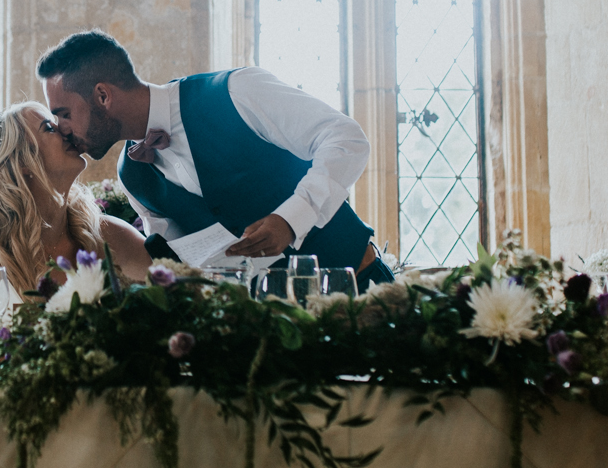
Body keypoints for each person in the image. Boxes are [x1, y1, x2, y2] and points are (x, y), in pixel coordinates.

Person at [36, 30, 394, 288]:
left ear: (102, 95)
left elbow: (346, 139)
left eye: (64, 113)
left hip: (359, 290)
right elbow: (186, 262)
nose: (61, 128)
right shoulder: (133, 176)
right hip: (269, 335)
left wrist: (291, 219)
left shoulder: (236, 92)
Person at [0, 103, 151, 367]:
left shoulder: (107, 236)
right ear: (23, 162)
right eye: (49, 127)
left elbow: (183, 293)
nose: (67, 131)